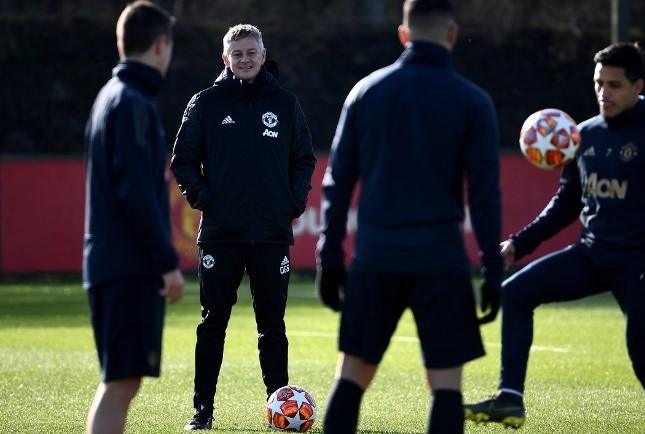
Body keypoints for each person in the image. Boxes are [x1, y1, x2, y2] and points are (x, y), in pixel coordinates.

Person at [464, 42, 645, 433]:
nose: (604, 92)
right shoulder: (582, 136)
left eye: (615, 84)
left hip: (641, 265)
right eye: (599, 83)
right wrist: (518, 244)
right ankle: (510, 398)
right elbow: (564, 207)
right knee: (515, 293)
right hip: (591, 256)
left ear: (638, 86)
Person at [316, 1, 504, 433]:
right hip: (441, 259)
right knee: (446, 387)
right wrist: (493, 270)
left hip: (377, 257)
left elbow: (338, 181)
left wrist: (330, 258)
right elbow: (485, 197)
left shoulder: (366, 92)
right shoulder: (473, 101)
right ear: (453, 34)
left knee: (352, 377)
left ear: (403, 34)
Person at [171, 23, 316, 431]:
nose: (246, 59)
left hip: (271, 235)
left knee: (272, 326)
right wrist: (204, 200)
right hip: (221, 233)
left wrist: (293, 201)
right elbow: (182, 159)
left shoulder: (286, 104)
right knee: (212, 322)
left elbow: (304, 159)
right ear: (225, 59)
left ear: (264, 55)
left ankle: (282, 410)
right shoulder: (206, 103)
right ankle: (203, 410)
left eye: (252, 52)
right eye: (237, 54)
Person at [83, 2, 184, 433]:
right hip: (126, 265)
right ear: (161, 45)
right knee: (120, 382)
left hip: (113, 261)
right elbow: (137, 194)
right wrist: (166, 262)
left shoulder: (112, 96)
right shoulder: (132, 102)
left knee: (122, 380)